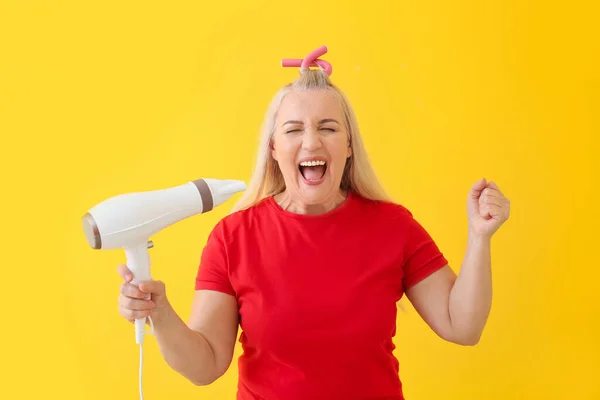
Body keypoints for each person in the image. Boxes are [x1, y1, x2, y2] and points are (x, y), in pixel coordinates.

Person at [116, 47, 510, 400]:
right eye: (293, 130)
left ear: (349, 145)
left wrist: (479, 236)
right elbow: (205, 366)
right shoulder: (232, 237)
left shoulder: (394, 227)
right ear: (273, 149)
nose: (311, 143)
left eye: (328, 127)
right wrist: (160, 312)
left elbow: (463, 326)